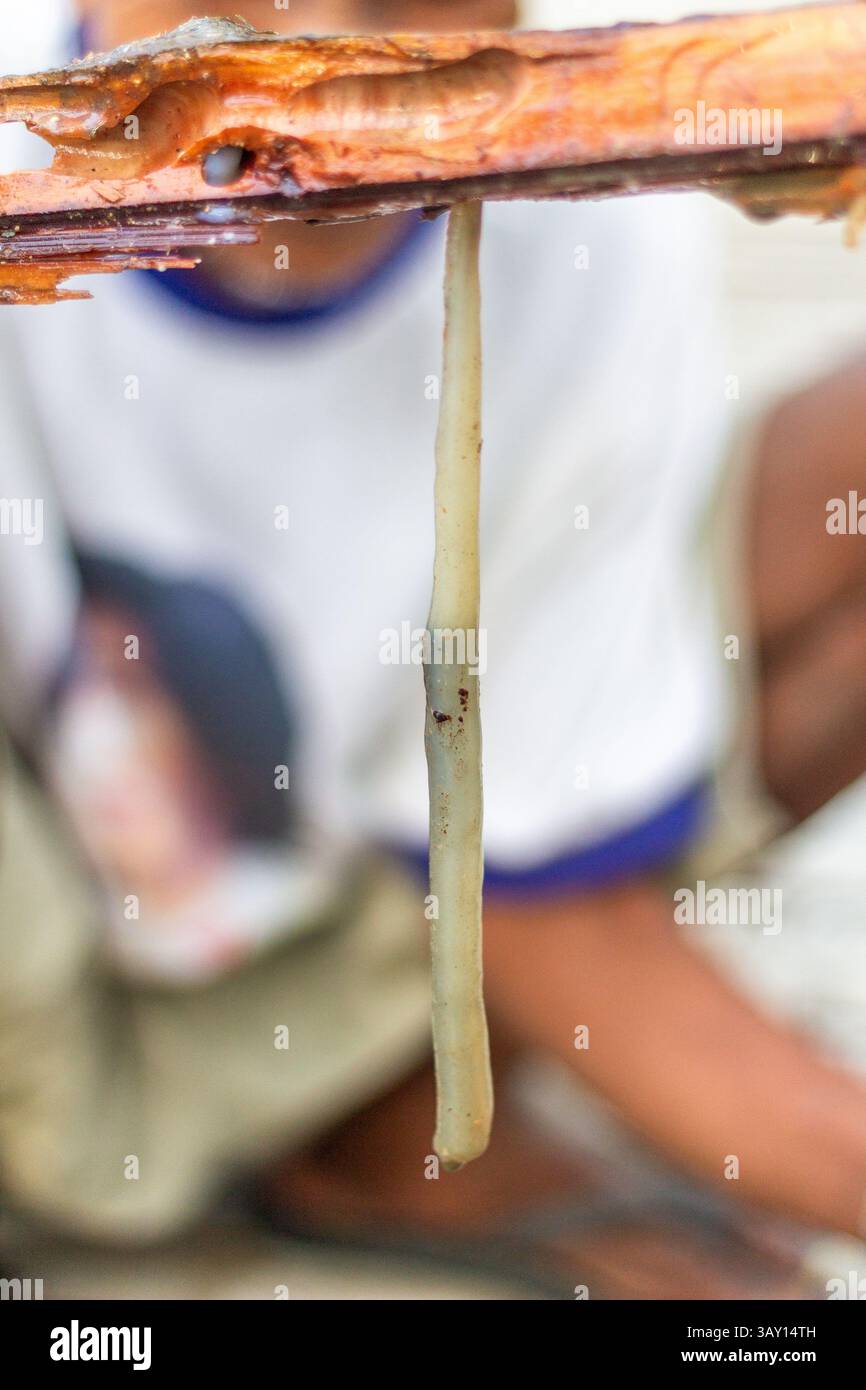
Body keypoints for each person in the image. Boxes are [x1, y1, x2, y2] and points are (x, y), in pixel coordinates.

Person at [1, 0, 865, 1297]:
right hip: (60, 1021)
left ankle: (399, 1130)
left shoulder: (599, 225)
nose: (327, 36)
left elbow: (538, 898)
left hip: (381, 927)